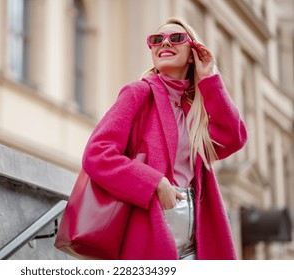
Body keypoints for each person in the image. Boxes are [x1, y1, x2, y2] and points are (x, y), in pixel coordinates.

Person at [81, 17, 247, 260]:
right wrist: (154, 182)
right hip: (152, 224)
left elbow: (233, 138)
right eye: (156, 40)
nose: (164, 43)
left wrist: (210, 79)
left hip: (197, 231)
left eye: (176, 38)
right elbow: (97, 153)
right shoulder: (138, 93)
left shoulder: (195, 108)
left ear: (193, 53)